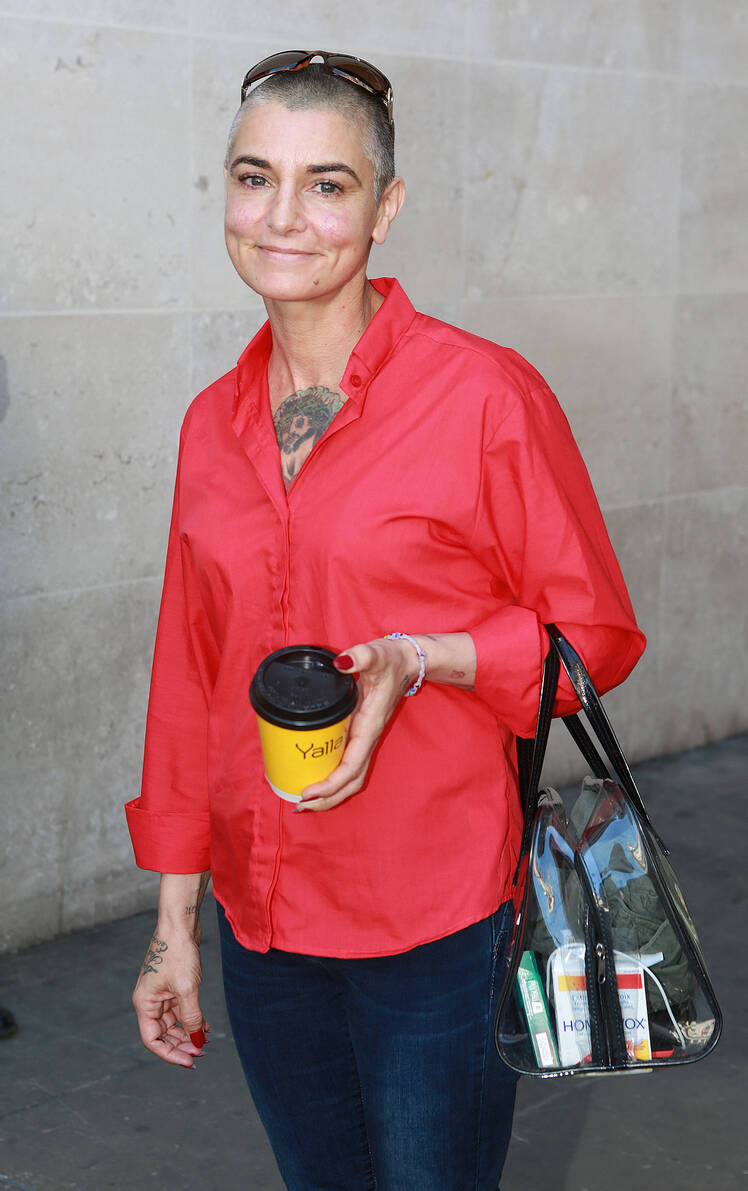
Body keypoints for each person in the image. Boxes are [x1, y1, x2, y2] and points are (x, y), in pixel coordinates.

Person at [128, 50, 645, 1190]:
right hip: (264, 924)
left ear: (386, 207)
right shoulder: (211, 423)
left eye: (328, 184)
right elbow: (190, 676)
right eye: (255, 177)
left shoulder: (484, 395)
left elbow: (594, 641)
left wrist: (425, 657)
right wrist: (175, 924)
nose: (282, 216)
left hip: (434, 924)